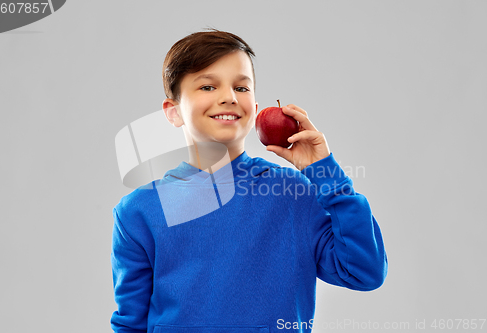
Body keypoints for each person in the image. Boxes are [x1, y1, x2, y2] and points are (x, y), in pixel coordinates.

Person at [110, 28, 388, 333]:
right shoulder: (139, 210)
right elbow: (130, 324)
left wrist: (324, 172)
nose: (228, 97)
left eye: (241, 88)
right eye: (207, 87)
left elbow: (364, 272)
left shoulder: (292, 193)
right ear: (173, 111)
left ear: (254, 110)